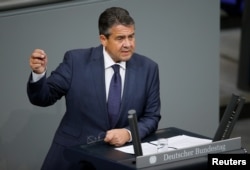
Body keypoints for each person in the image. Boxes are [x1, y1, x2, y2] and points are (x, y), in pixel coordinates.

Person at [27, 7, 161, 170]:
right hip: (73, 158)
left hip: (119, 161)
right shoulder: (75, 61)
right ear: (103, 39)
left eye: (131, 36)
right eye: (120, 38)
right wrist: (39, 74)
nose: (128, 44)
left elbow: (152, 117)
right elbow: (43, 98)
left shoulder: (148, 68)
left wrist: (128, 133)